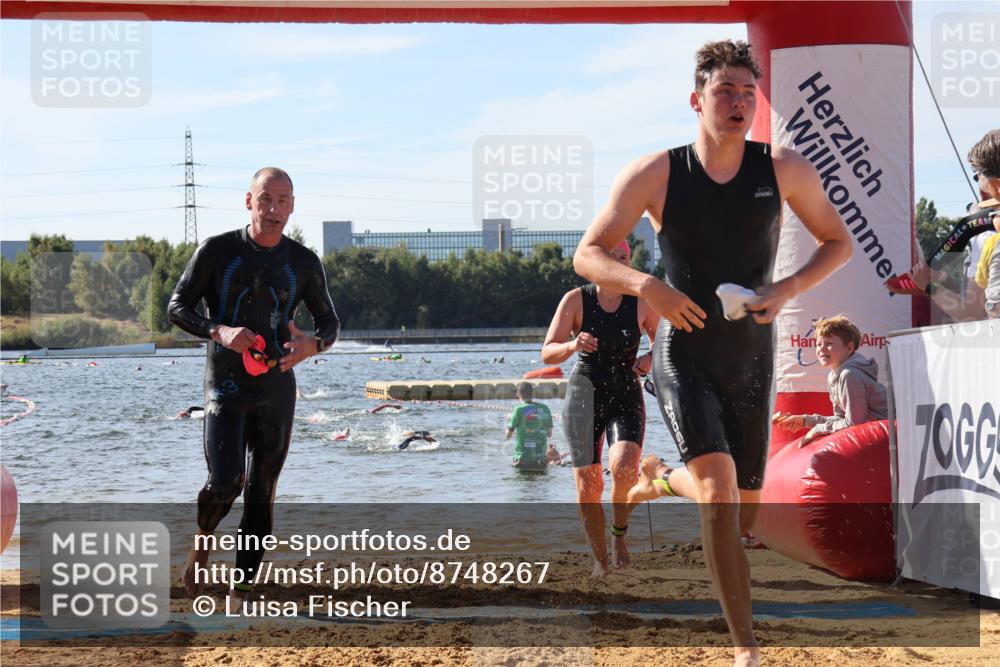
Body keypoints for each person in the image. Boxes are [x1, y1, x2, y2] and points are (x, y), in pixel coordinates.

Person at [574, 41, 852, 666]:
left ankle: (659, 479)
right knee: (722, 496)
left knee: (743, 513)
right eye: (726, 92)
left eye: (749, 95)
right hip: (684, 352)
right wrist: (647, 285)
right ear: (697, 100)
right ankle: (746, 649)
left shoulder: (781, 167)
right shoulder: (658, 172)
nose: (739, 104)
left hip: (752, 353)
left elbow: (837, 242)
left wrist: (786, 288)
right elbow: (588, 253)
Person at [168, 167, 341, 602]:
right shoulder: (218, 251)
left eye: (283, 201)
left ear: (293, 206)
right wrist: (218, 331)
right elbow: (177, 305)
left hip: (276, 390)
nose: (274, 209)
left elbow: (329, 322)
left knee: (261, 492)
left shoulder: (302, 261)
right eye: (266, 199)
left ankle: (243, 586)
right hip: (225, 386)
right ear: (249, 202)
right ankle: (201, 546)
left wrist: (311, 347)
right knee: (225, 481)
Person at [542, 239, 660, 576]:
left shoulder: (640, 301)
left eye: (625, 258)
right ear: (597, 261)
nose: (621, 263)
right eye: (614, 258)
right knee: (588, 484)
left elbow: (664, 341)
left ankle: (619, 536)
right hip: (584, 395)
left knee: (624, 468)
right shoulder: (577, 300)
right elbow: (548, 352)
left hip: (625, 392)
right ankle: (600, 559)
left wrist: (649, 359)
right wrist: (572, 343)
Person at [887, 129, 1000, 320]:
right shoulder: (986, 233)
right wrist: (940, 280)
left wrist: (929, 287)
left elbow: (971, 313)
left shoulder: (988, 237)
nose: (980, 194)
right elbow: (975, 298)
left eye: (978, 178)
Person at [773, 315, 887, 446]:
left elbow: (855, 423)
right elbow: (840, 419)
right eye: (818, 344)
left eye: (829, 344)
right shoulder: (834, 375)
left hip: (894, 434)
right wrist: (805, 421)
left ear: (849, 348)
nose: (821, 348)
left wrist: (818, 429)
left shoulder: (849, 375)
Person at [504, 381, 554, 472]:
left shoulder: (518, 409)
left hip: (521, 458)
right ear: (532, 393)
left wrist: (510, 421)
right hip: (540, 459)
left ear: (518, 394)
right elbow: (549, 434)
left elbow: (507, 436)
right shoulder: (545, 408)